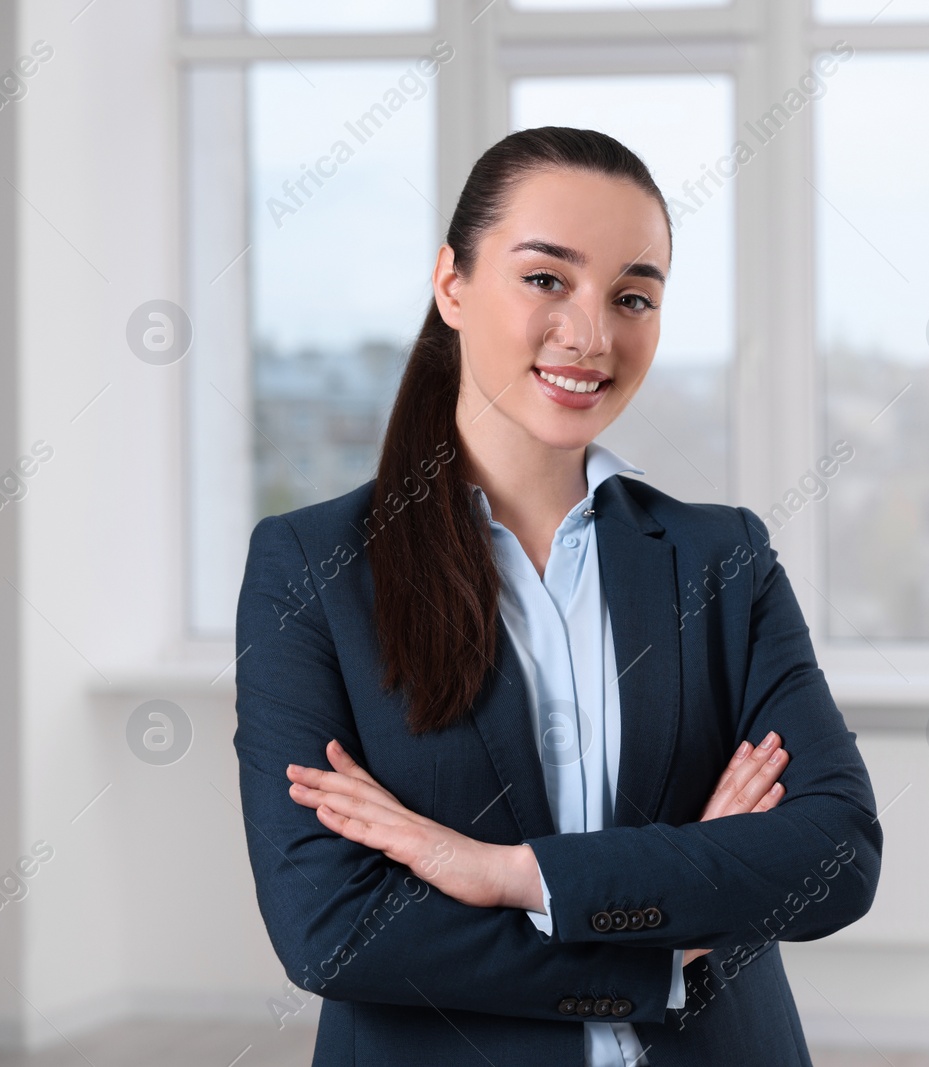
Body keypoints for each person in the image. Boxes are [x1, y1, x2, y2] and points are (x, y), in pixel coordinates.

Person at [232, 126, 882, 1067]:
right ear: (451, 283)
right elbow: (334, 927)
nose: (591, 333)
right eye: (546, 279)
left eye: (632, 296)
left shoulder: (721, 557)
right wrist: (667, 945)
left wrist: (508, 875)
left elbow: (836, 853)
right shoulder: (313, 566)